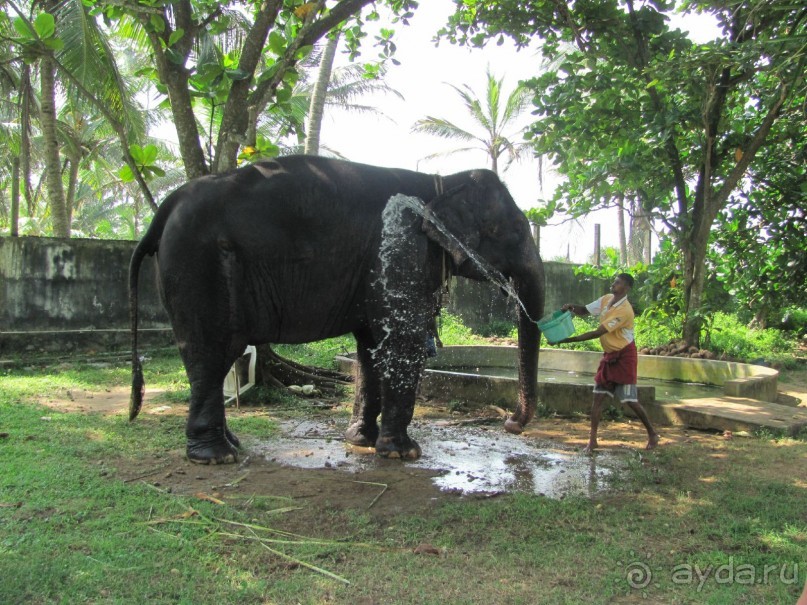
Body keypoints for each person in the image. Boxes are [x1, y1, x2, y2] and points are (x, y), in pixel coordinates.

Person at [559, 273, 659, 453]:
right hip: (609, 355)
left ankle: (652, 433)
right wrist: (572, 308)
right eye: (614, 281)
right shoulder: (607, 299)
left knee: (630, 400)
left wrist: (567, 340)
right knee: (597, 398)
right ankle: (592, 440)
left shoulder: (625, 311)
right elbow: (585, 310)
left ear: (627, 288)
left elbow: (598, 332)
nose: (614, 284)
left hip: (624, 357)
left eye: (618, 283)